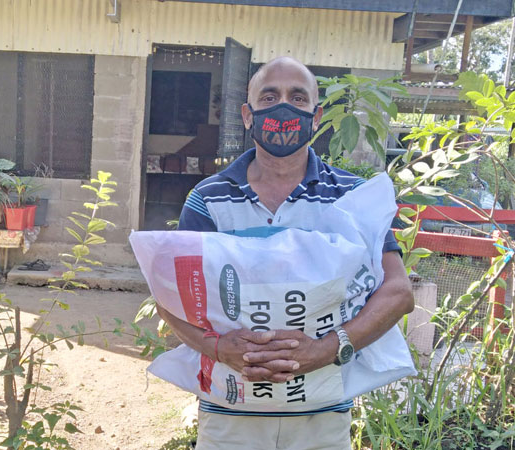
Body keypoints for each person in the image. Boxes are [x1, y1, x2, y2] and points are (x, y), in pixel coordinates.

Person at [158, 56, 415, 450]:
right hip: (230, 415)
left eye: (298, 97)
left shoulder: (350, 197)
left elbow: (398, 291)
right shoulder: (208, 200)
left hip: (322, 414)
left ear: (316, 116)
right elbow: (169, 298)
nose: (284, 107)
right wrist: (217, 348)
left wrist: (328, 348)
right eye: (270, 96)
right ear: (248, 114)